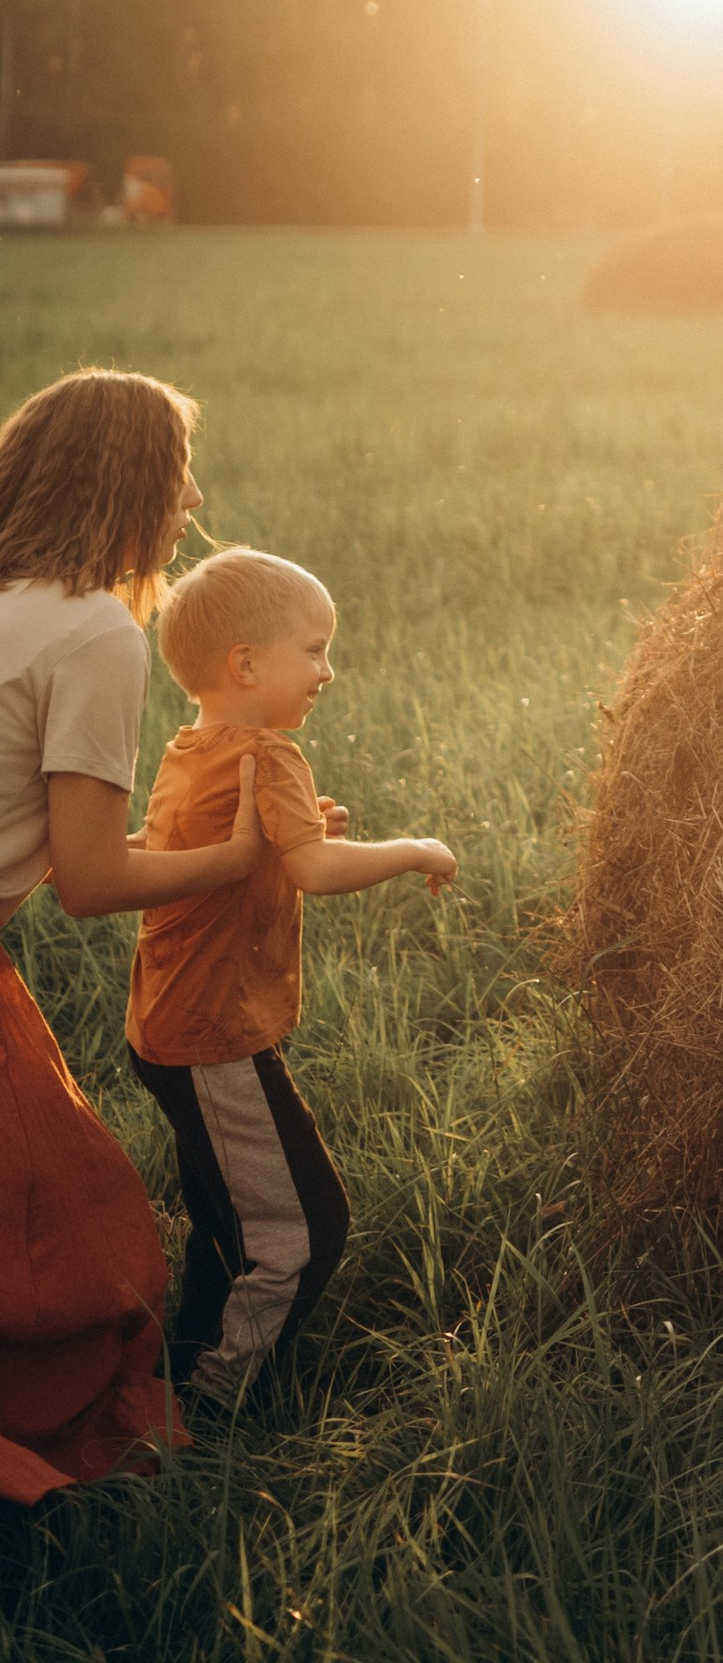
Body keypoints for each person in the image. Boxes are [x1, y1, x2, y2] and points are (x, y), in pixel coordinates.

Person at [0, 367, 263, 1503]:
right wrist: (235, 860)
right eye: (180, 471)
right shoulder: (96, 629)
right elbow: (94, 880)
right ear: (131, 481)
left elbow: (67, 838)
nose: (194, 497)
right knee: (75, 1255)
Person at [126, 547, 455, 1409]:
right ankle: (217, 1405)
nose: (327, 670)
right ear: (246, 663)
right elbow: (315, 869)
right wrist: (414, 848)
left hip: (164, 1027)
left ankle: (181, 1366)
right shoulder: (268, 755)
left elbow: (212, 847)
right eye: (313, 649)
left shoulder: (191, 747)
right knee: (302, 1229)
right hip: (215, 1039)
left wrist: (295, 829)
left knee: (225, 1219)